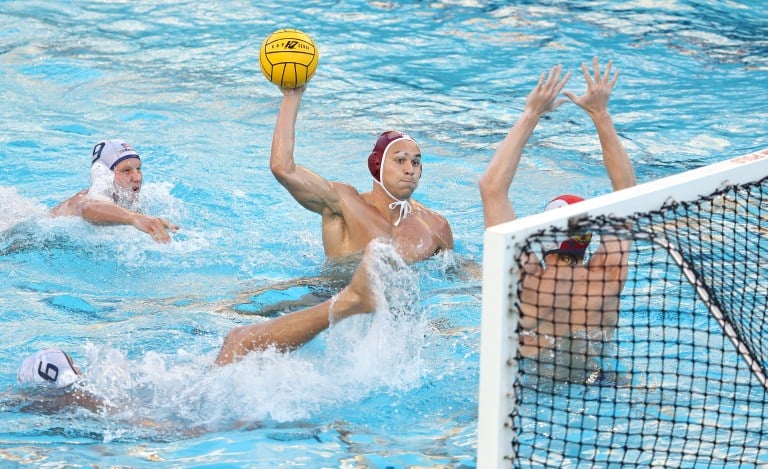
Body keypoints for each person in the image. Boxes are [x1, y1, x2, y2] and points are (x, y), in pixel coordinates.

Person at [17, 242, 378, 403]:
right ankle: (347, 303)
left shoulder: (90, 400)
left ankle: (347, 304)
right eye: (75, 369)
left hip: (186, 410)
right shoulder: (88, 401)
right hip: (190, 418)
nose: (82, 372)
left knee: (240, 344)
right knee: (239, 340)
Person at [478, 57, 636, 384]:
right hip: (594, 379)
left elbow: (491, 188)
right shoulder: (608, 277)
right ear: (588, 237)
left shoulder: (527, 277)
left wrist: (531, 113)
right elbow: (626, 192)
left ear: (544, 235)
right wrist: (600, 114)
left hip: (530, 381)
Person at [269, 86, 454, 264]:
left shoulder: (435, 226)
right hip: (331, 293)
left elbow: (459, 273)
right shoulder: (345, 203)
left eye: (415, 163)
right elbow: (283, 168)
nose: (410, 169)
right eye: (400, 160)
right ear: (376, 165)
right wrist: (292, 96)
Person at [51, 139, 178, 243]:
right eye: (126, 170)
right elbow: (87, 208)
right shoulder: (85, 198)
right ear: (106, 175)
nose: (137, 177)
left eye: (138, 168)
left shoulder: (129, 198)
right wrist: (134, 218)